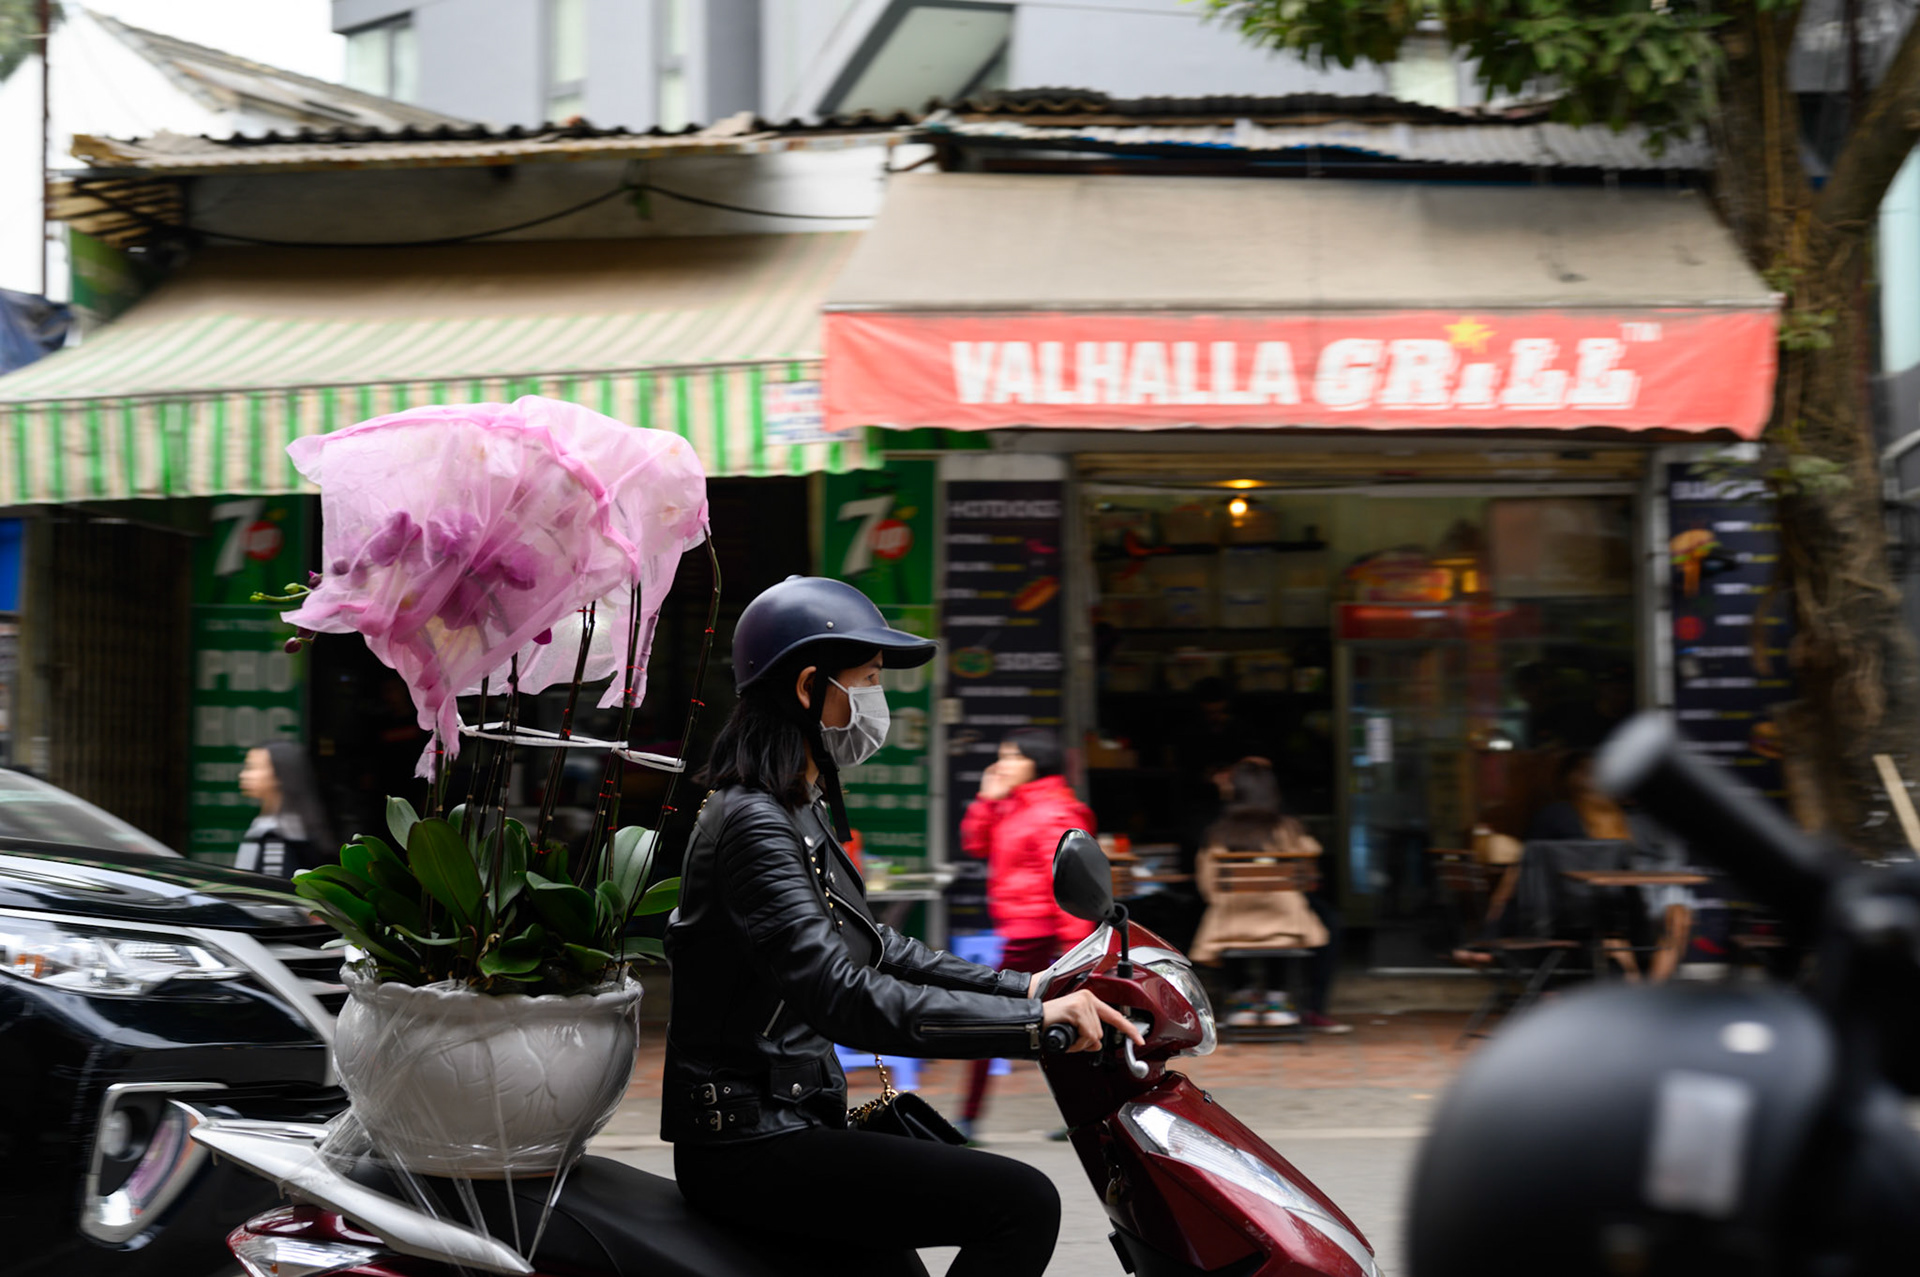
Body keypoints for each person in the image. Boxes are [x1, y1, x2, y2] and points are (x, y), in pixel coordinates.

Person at [663, 576, 1139, 1277]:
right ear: (807, 688)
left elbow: (879, 945)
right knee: (1023, 1202)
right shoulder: (754, 822)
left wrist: (1028, 984)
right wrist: (1034, 1024)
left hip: (790, 1119)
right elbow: (842, 992)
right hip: (748, 1141)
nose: (876, 702)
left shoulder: (792, 808)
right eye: (869, 679)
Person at [956, 727, 1096, 1139]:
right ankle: (1088, 1113)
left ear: (1037, 762)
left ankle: (967, 1117)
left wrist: (1076, 950)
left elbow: (1068, 885)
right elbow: (975, 844)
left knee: (995, 1020)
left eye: (1013, 756)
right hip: (1024, 933)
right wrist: (986, 798)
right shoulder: (1012, 805)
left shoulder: (1056, 811)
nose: (1002, 764)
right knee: (1055, 1025)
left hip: (1042, 937)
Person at [1189, 759, 1342, 1031]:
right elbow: (1307, 873)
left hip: (1229, 927)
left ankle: (1241, 997)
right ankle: (1278, 998)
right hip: (1286, 924)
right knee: (1299, 918)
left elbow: (1208, 886)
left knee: (1224, 917)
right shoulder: (1287, 828)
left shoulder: (1218, 832)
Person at [235, 741, 335, 878]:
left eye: (253, 768)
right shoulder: (271, 828)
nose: (244, 775)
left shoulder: (279, 838)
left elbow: (272, 892)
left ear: (279, 774)